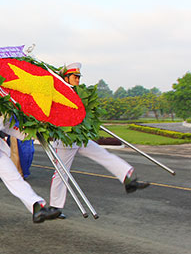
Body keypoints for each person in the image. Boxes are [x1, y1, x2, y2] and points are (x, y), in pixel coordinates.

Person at [0, 64, 60, 237]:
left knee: (15, 179)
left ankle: (37, 206)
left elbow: (6, 127)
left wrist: (29, 134)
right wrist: (3, 118)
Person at [48, 63, 150, 218]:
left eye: (78, 77)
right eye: (75, 77)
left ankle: (127, 180)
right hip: (65, 141)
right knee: (61, 173)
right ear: (66, 78)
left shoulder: (80, 94)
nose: (78, 80)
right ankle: (54, 207)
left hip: (80, 137)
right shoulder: (59, 93)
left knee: (103, 154)